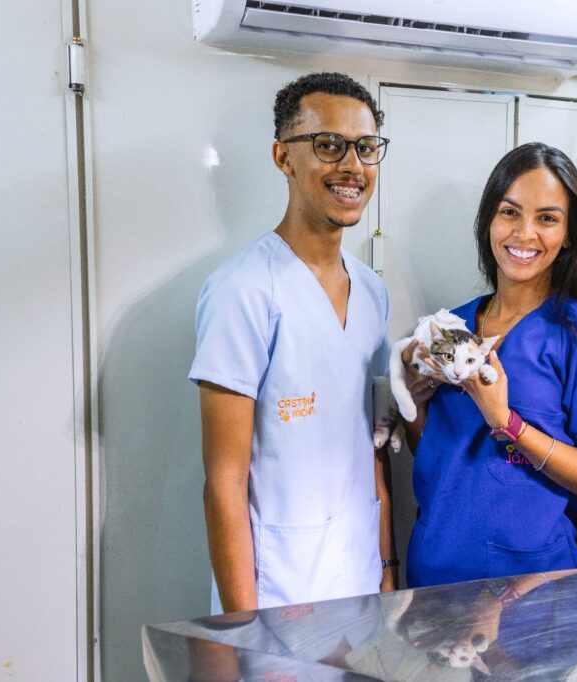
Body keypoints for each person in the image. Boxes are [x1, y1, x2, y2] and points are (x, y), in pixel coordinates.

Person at [189, 72, 397, 614]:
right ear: (284, 156)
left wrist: (387, 569)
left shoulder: (372, 292)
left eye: (366, 147)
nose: (352, 165)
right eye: (328, 145)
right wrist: (246, 627)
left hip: (358, 576)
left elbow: (373, 447)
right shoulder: (244, 290)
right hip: (277, 591)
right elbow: (224, 482)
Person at [400, 142, 577, 587]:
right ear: (489, 221)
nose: (524, 233)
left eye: (547, 218)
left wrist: (507, 423)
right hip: (434, 573)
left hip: (533, 589)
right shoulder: (452, 327)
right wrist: (413, 405)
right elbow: (441, 456)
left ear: (569, 235)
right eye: (510, 212)